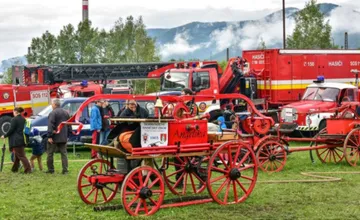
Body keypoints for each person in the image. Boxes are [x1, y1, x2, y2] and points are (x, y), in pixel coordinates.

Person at [1, 107, 31, 174]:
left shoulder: (14, 119)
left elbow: (11, 129)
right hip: (21, 139)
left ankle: (28, 170)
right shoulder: (23, 119)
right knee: (17, 156)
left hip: (16, 140)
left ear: (16, 112)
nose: (13, 113)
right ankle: (14, 169)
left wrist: (4, 135)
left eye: (13, 112)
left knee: (21, 156)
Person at [46, 99, 71, 174]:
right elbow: (69, 124)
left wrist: (49, 136)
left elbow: (51, 125)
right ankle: (65, 170)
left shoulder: (53, 113)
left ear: (54, 105)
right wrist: (68, 135)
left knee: (50, 153)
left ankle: (51, 169)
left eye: (52, 104)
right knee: (64, 154)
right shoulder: (66, 112)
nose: (51, 105)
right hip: (63, 137)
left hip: (54, 136)